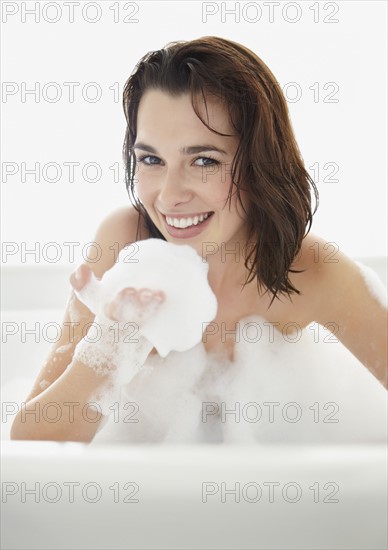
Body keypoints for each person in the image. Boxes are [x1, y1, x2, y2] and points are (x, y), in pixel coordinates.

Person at [10, 36, 387, 443]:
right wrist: (109, 349)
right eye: (151, 159)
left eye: (204, 160)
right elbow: (32, 450)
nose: (169, 196)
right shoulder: (124, 245)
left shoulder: (311, 271)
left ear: (262, 164)